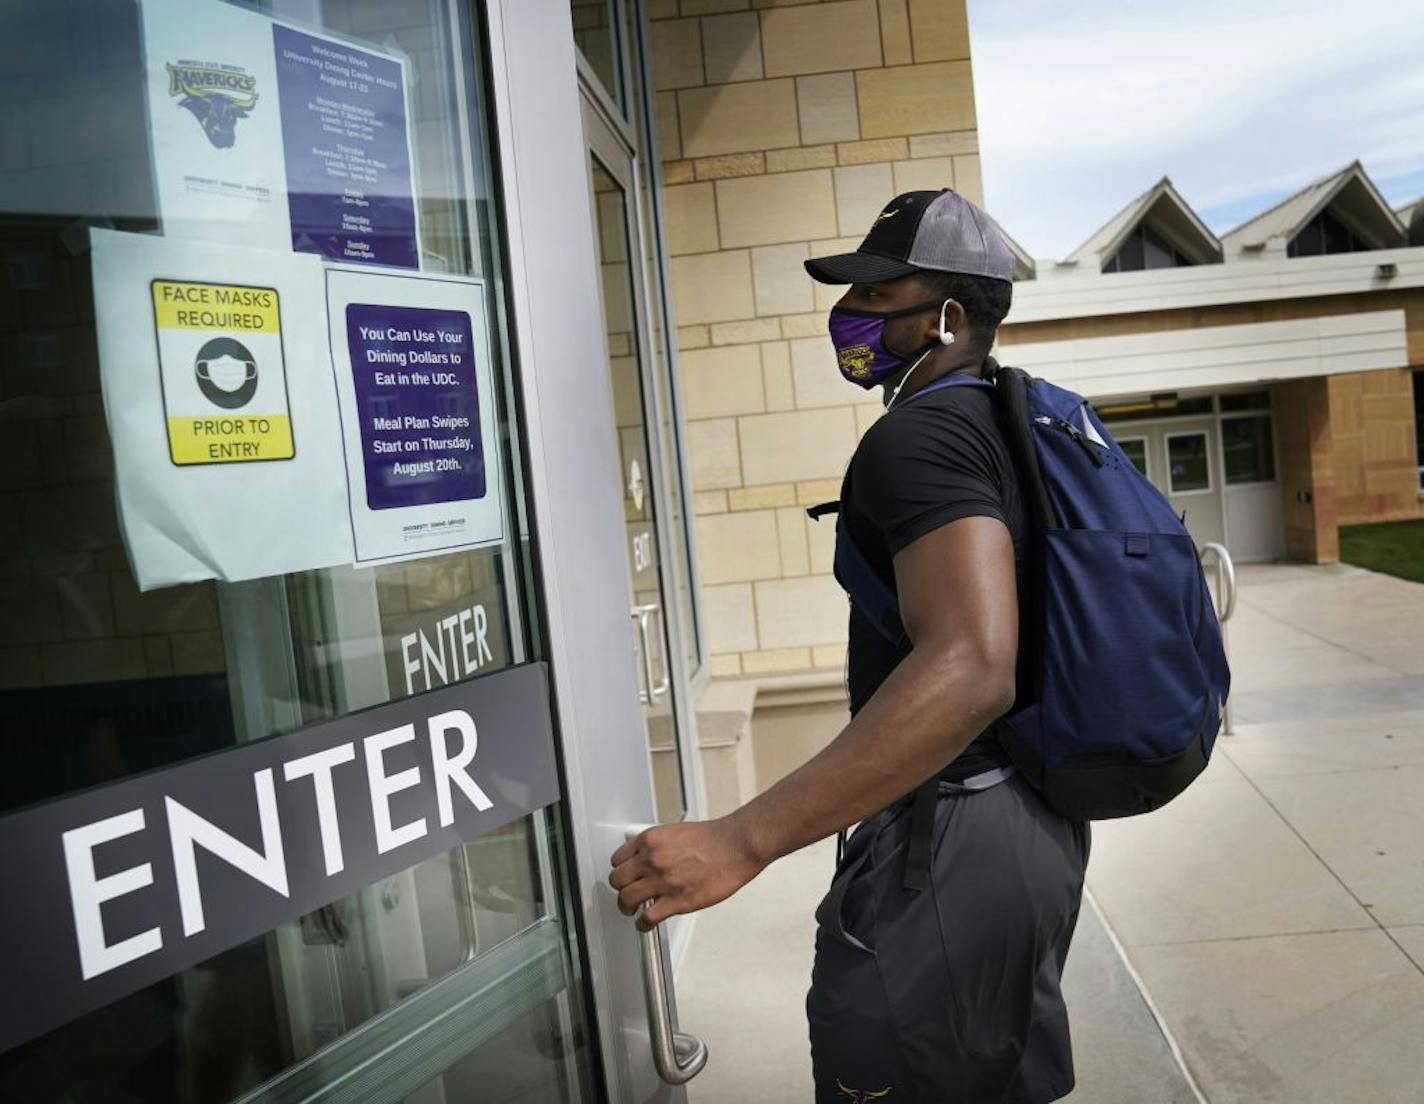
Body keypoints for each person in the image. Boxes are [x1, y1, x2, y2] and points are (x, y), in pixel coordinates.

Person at [608, 189, 1090, 1103]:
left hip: (948, 834)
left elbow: (971, 668)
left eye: (876, 294)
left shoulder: (920, 440)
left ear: (946, 317)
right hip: (1028, 820)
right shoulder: (1010, 423)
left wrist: (741, 839)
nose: (850, 314)